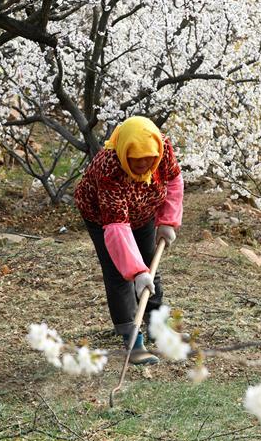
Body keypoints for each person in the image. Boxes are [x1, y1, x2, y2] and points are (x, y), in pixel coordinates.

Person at [74, 116, 184, 365]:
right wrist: (134, 272)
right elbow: (116, 227)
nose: (144, 166)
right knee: (120, 274)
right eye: (136, 161)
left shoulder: (162, 148)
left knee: (150, 266)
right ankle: (132, 342)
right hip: (104, 218)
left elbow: (174, 180)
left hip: (143, 210)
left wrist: (167, 220)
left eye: (149, 160)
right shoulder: (109, 169)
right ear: (125, 155)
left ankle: (159, 328)